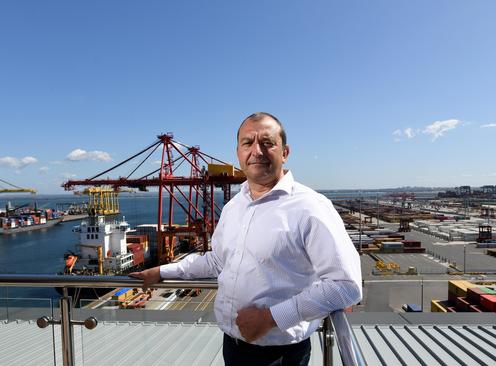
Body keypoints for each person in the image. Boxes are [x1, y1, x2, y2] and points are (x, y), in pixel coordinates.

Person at [130, 112, 362, 366]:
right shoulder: (234, 206)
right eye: (247, 143)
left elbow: (346, 287)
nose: (257, 151)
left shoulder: (311, 207)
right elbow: (217, 261)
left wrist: (271, 318)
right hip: (232, 345)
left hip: (280, 355)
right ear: (238, 152)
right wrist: (162, 271)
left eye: (267, 142)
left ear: (285, 152)